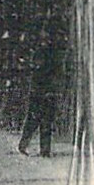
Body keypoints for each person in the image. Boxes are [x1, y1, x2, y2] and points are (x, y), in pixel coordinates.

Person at [18, 21, 63, 156]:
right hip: (41, 90)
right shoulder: (45, 52)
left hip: (44, 89)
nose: (46, 40)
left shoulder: (49, 52)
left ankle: (42, 149)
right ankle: (29, 145)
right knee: (37, 120)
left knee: (43, 121)